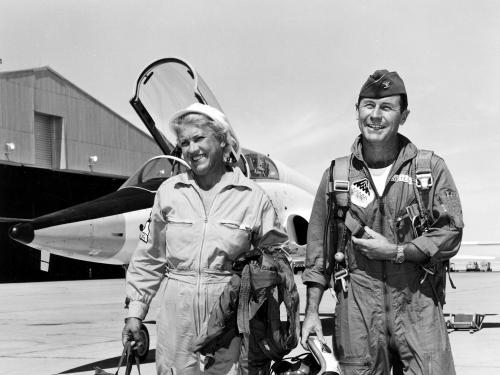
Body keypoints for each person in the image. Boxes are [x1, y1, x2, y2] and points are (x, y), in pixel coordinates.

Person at [301, 70, 464, 374]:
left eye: (386, 108)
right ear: (357, 112)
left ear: (404, 116)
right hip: (357, 310)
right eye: (368, 106)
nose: (375, 116)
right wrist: (311, 312)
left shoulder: (429, 169)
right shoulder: (337, 176)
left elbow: (451, 231)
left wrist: (397, 251)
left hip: (418, 304)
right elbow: (318, 252)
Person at [122, 103, 282, 374]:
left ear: (221, 140)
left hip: (228, 315)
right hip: (176, 316)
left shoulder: (254, 198)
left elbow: (276, 266)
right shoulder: (168, 192)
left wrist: (266, 327)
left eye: (199, 138)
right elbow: (148, 256)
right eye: (184, 142)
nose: (192, 149)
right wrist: (135, 312)